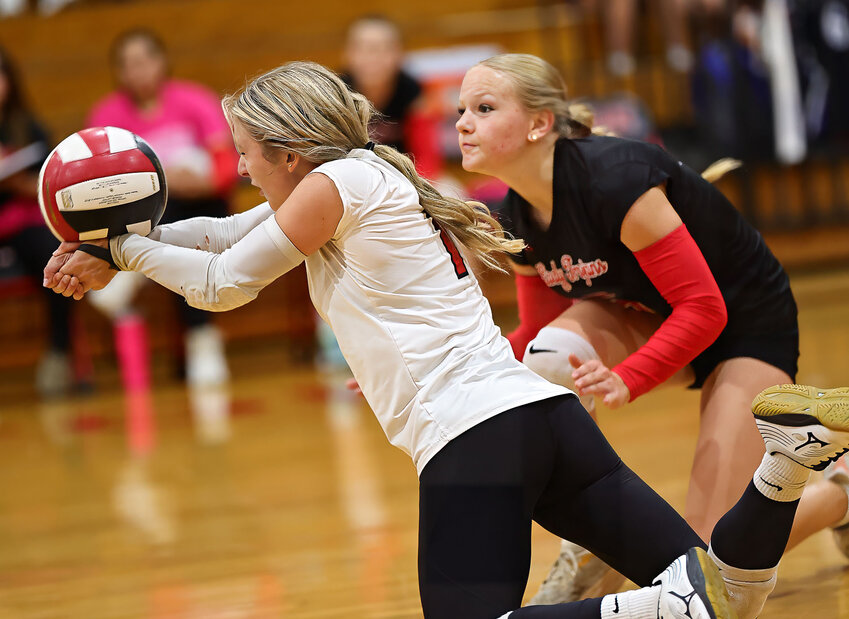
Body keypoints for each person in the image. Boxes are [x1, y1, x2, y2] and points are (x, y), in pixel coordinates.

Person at [42, 60, 849, 619]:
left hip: (476, 435)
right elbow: (219, 237)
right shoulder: (361, 173)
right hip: (539, 419)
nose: (246, 170)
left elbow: (223, 285)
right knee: (721, 592)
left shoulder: (335, 184)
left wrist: (120, 251)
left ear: (288, 152)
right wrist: (125, 242)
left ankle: (648, 605)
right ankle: (784, 467)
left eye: (250, 156)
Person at [453, 52, 849, 603]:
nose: (462, 123)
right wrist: (442, 368)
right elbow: (537, 334)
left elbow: (705, 308)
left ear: (539, 124)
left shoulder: (616, 182)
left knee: (710, 555)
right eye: (461, 110)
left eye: (484, 107)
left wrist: (629, 377)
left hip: (743, 322)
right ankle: (592, 528)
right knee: (547, 358)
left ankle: (839, 493)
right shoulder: (515, 216)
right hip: (653, 316)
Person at [85, 28, 238, 390]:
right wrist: (163, 179)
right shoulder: (106, 115)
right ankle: (202, 342)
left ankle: (126, 265)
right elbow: (99, 185)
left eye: (144, 60)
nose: (138, 71)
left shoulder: (194, 99)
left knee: (183, 223)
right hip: (140, 212)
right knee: (170, 226)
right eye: (128, 65)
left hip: (201, 205)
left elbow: (224, 168)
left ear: (161, 62)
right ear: (118, 72)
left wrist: (190, 179)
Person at [0, 44, 76, 398]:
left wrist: (17, 184)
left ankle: (59, 354)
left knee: (53, 257)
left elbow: (50, 185)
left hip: (20, 222)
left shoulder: (27, 127)